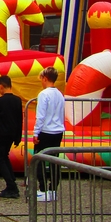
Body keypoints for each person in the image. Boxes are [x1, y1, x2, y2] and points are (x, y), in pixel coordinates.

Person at [33, 67, 65, 202]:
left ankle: (43, 188)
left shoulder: (44, 94)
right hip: (58, 130)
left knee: (39, 160)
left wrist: (35, 132)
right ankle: (53, 189)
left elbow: (40, 116)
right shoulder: (60, 94)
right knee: (54, 161)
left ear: (45, 78)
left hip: (45, 130)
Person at [0, 75, 23, 199]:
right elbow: (20, 119)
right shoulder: (17, 100)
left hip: (0, 134)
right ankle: (11, 179)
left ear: (2, 86)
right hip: (11, 134)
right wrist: (18, 136)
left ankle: (11, 185)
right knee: (5, 156)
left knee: (0, 159)